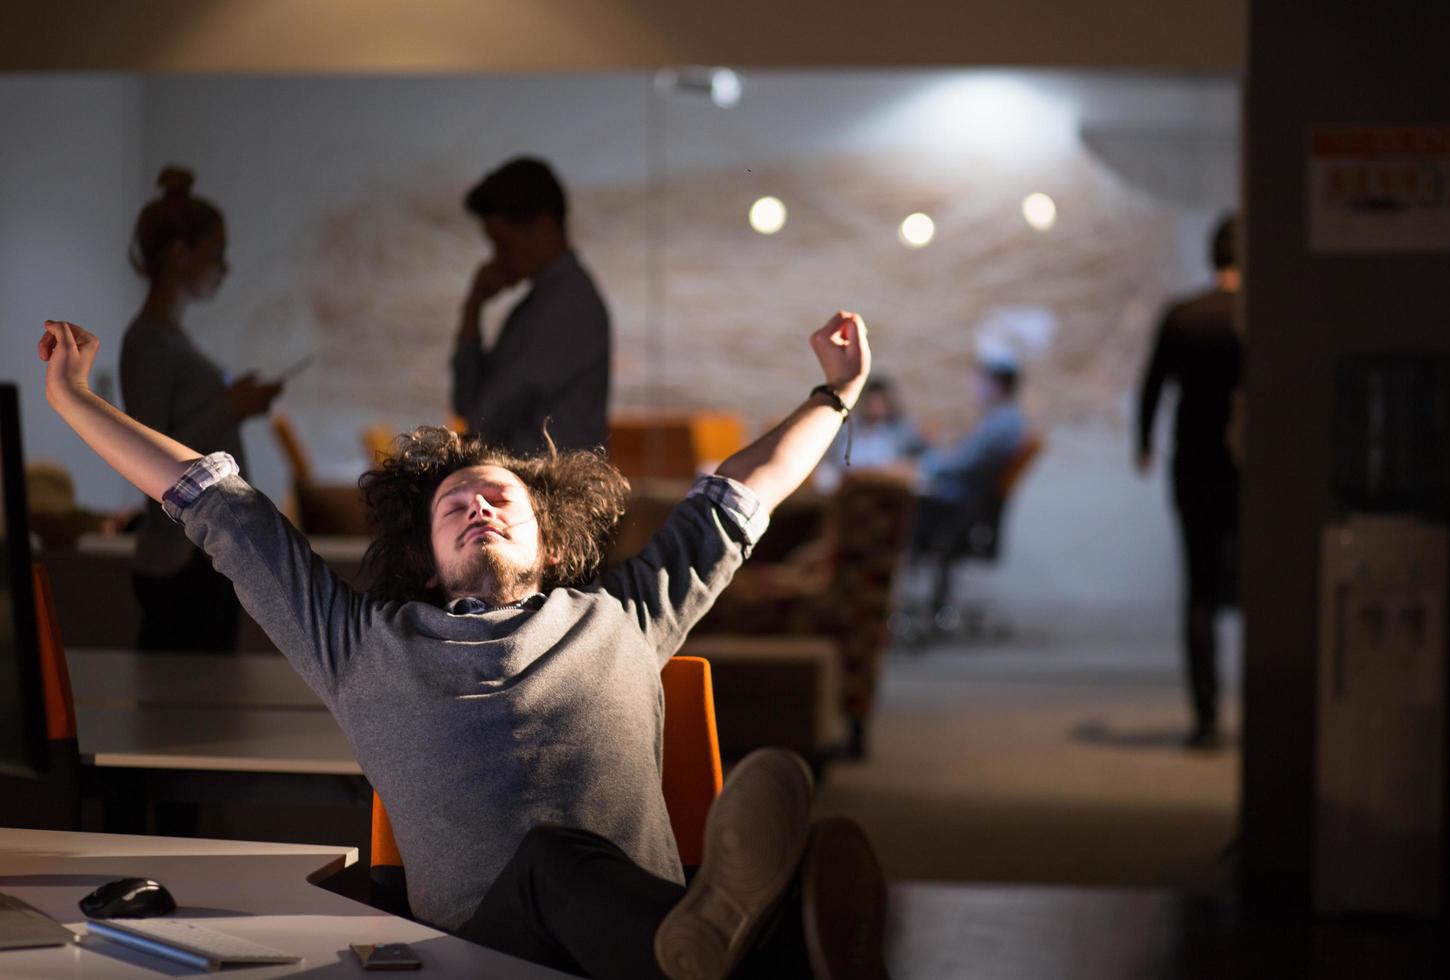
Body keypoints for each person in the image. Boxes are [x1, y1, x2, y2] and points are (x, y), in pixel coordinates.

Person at [38, 311, 884, 978]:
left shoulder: (623, 613)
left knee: (599, 885)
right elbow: (214, 504)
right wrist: (73, 399)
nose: (479, 507)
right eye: (455, 507)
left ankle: (724, 946)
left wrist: (837, 394)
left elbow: (743, 491)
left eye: (501, 502)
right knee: (551, 862)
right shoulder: (358, 643)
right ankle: (756, 943)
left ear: (551, 546)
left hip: (632, 941)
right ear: (429, 561)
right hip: (489, 954)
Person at [119, 167, 283, 651]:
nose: (223, 268)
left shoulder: (165, 337)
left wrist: (233, 407)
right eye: (216, 253)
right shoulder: (150, 339)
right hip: (181, 555)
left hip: (197, 549)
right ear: (179, 253)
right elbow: (146, 449)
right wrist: (230, 407)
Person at [1135, 215, 1242, 750]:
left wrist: (1143, 444)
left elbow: (1152, 388)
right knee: (1264, 590)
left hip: (1194, 467)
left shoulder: (1184, 316)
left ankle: (1205, 718)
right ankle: (1275, 707)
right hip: (1256, 473)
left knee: (1199, 590)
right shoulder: (1265, 316)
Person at [452, 157, 611, 455]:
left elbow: (482, 416)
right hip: (538, 488)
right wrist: (473, 307)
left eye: (504, 243)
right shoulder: (541, 304)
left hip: (557, 494)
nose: (498, 257)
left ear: (543, 226)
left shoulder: (568, 306)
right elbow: (469, 406)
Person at [907, 355, 1029, 624]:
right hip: (964, 503)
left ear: (996, 386)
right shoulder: (1002, 420)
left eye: (981, 383)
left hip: (959, 509)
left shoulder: (1002, 423)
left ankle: (903, 604)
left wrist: (922, 463)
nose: (977, 389)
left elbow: (961, 464)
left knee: (904, 512)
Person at [812, 374, 927, 492]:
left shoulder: (899, 429)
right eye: (872, 402)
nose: (875, 407)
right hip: (851, 483)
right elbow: (836, 460)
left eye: (880, 402)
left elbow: (915, 460)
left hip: (886, 484)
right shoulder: (849, 426)